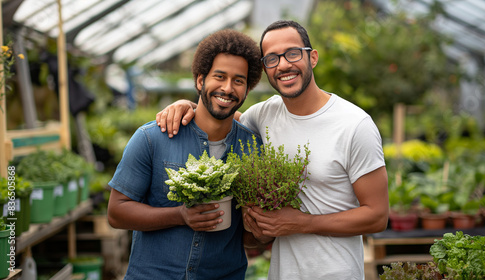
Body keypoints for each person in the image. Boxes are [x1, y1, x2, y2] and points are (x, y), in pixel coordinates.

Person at [156, 20, 389, 279]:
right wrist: (185, 104)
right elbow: (218, 116)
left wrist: (303, 224)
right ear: (265, 69)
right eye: (272, 59)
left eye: (292, 53)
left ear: (312, 57)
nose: (283, 65)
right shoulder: (264, 115)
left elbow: (377, 216)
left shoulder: (354, 124)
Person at [107, 29, 266, 279]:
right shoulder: (152, 138)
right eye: (220, 76)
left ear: (247, 89)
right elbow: (117, 212)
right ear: (200, 80)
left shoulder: (253, 149)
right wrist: (180, 215)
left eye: (238, 80)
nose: (227, 88)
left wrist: (262, 232)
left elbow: (247, 238)